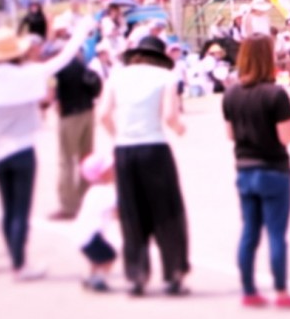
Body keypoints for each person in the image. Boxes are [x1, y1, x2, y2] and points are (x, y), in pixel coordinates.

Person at [0, 21, 92, 281]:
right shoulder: (28, 74)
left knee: (8, 209)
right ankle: (19, 264)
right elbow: (63, 58)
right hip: (23, 149)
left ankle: (16, 259)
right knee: (21, 210)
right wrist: (81, 31)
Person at [99, 33, 191, 297]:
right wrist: (180, 129)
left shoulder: (116, 76)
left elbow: (103, 114)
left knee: (131, 213)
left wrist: (118, 135)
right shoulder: (166, 77)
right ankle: (173, 273)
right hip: (154, 147)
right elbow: (170, 116)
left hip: (124, 148)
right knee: (167, 212)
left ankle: (136, 275)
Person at [223, 35, 290, 308]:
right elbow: (286, 137)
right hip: (274, 169)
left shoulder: (231, 93)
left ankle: (248, 290)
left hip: (245, 169)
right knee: (276, 234)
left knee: (249, 233)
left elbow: (230, 134)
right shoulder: (275, 94)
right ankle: (281, 292)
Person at [50, 23, 102, 220]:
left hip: (70, 114)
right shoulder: (81, 62)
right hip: (87, 111)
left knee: (66, 161)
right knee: (85, 158)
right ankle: (85, 199)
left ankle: (68, 205)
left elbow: (53, 96)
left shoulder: (58, 67)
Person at [73, 151, 121, 292]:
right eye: (111, 169)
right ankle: (99, 280)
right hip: (91, 236)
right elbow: (117, 212)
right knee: (110, 255)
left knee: (97, 258)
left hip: (80, 235)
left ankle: (92, 276)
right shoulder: (107, 192)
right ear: (102, 174)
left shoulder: (92, 191)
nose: (114, 171)